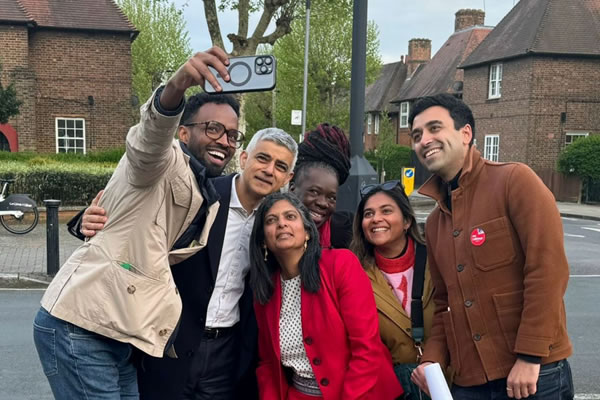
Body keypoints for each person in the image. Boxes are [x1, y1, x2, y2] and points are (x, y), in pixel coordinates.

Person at [33, 47, 236, 399]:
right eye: (214, 128)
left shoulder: (206, 191)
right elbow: (148, 140)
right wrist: (177, 86)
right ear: (184, 133)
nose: (224, 141)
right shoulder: (164, 159)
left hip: (120, 331)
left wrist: (90, 219)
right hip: (83, 325)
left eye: (233, 135)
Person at [72, 126, 298, 400]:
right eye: (263, 158)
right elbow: (142, 213)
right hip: (171, 341)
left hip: (227, 353)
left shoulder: (278, 223)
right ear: (243, 157)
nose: (269, 170)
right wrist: (84, 220)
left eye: (280, 166)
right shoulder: (202, 194)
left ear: (288, 177)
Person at [408, 94, 574, 399]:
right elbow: (445, 303)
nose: (424, 140)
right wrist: (432, 358)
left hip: (535, 374)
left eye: (434, 128)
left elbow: (548, 272)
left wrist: (529, 356)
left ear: (466, 133)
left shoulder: (515, 181)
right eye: (417, 135)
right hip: (470, 381)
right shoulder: (433, 223)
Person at [249, 192, 403, 400]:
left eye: (290, 217)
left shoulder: (340, 265)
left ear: (308, 233)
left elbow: (366, 348)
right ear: (264, 240)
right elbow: (267, 362)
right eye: (271, 220)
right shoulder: (265, 292)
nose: (282, 224)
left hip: (361, 393)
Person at [350, 181, 436, 400]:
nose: (376, 219)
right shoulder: (354, 274)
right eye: (368, 214)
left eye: (386, 211)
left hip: (444, 382)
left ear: (407, 221)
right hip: (390, 388)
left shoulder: (438, 261)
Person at [289, 123, 353, 249]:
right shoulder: (272, 231)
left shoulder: (347, 235)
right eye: (314, 192)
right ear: (292, 189)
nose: (323, 203)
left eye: (332, 197)